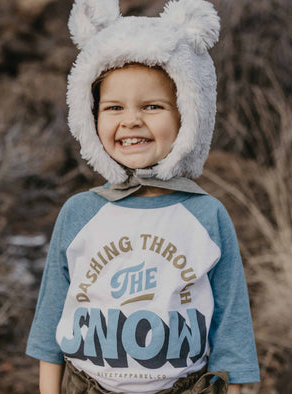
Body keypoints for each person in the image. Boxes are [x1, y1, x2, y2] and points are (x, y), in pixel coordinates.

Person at [26, 0, 260, 393]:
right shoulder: (79, 212)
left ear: (187, 115)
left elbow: (231, 332)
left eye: (153, 106)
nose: (131, 120)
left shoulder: (206, 215)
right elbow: (50, 325)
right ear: (91, 115)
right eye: (114, 107)